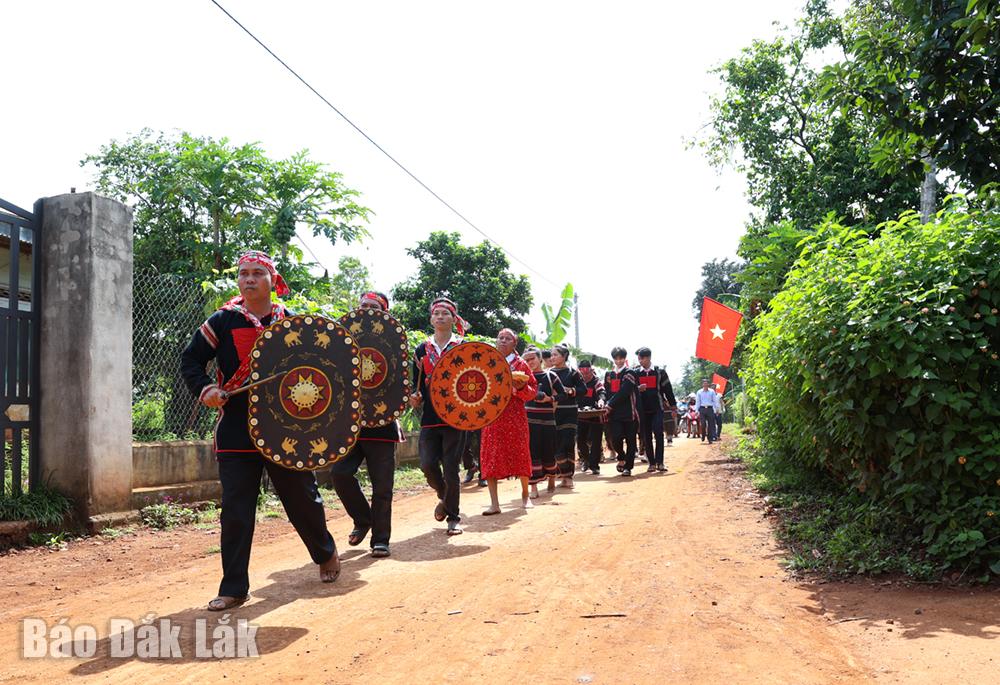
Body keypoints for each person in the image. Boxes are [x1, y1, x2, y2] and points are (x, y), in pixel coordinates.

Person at [181, 250, 340, 611]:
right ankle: (234, 586)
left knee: (302, 497)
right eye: (243, 274)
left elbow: (319, 368)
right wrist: (206, 390)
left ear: (272, 280)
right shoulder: (221, 321)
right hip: (236, 430)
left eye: (256, 273)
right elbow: (191, 360)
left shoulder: (292, 323)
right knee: (236, 509)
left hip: (287, 429)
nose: (248, 280)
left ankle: (325, 552)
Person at [328, 291, 402, 558]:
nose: (366, 311)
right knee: (340, 474)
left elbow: (400, 382)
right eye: (363, 306)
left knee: (382, 487)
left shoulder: (394, 341)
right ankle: (363, 519)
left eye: (372, 307)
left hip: (382, 425)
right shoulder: (342, 339)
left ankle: (381, 540)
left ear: (383, 312)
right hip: (351, 424)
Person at [410, 297, 469, 535]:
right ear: (431, 319)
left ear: (454, 319)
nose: (441, 317)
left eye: (446, 313)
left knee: (452, 468)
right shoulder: (422, 349)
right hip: (430, 417)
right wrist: (416, 398)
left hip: (457, 417)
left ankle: (453, 517)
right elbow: (417, 385)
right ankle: (444, 496)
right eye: (437, 314)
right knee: (427, 464)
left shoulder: (463, 347)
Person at [479, 329, 537, 513]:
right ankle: (494, 503)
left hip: (515, 415)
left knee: (520, 452)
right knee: (490, 456)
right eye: (500, 338)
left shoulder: (521, 364)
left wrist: (520, 388)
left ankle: (525, 495)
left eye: (508, 338)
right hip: (492, 416)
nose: (503, 341)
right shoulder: (488, 360)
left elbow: (532, 391)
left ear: (514, 343)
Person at [633, 347, 677, 473]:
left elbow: (668, 390)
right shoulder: (636, 373)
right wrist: (637, 388)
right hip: (642, 409)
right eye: (639, 359)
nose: (640, 361)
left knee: (658, 433)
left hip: (657, 408)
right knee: (646, 436)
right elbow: (630, 389)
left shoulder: (660, 372)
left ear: (648, 358)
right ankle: (651, 463)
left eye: (641, 358)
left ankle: (660, 462)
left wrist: (673, 407)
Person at [548, 344, 586, 488]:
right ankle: (563, 474)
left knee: (568, 443)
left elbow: (583, 389)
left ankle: (569, 477)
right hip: (553, 413)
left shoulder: (573, 372)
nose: (552, 358)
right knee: (556, 445)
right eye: (551, 355)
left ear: (564, 356)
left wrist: (569, 391)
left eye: (555, 355)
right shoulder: (549, 373)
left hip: (569, 412)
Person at [523, 347, 558, 498]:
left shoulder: (550, 376)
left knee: (548, 452)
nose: (530, 362)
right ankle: (533, 487)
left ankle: (551, 478)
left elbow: (563, 395)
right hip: (528, 420)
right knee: (532, 453)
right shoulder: (522, 378)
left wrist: (549, 399)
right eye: (527, 360)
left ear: (540, 359)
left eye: (533, 359)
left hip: (548, 421)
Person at [603, 347, 639, 476]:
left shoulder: (630, 373)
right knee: (616, 438)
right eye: (616, 358)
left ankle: (628, 467)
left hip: (630, 412)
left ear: (625, 358)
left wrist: (609, 404)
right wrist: (603, 402)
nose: (619, 361)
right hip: (614, 414)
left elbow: (624, 392)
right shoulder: (610, 374)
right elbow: (606, 392)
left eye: (621, 358)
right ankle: (621, 457)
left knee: (631, 440)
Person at [576, 359, 606, 475]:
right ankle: (586, 460)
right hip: (580, 415)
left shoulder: (596, 382)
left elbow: (601, 392)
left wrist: (601, 401)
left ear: (591, 371)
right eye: (583, 374)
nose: (585, 376)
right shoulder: (577, 382)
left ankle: (594, 465)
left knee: (596, 441)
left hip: (595, 415)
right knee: (580, 440)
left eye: (587, 373)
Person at [695, 379, 718, 444]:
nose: (705, 385)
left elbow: (715, 401)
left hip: (710, 409)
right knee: (703, 424)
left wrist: (716, 409)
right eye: (704, 383)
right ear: (702, 384)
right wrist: (696, 410)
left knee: (710, 424)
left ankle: (710, 438)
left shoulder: (712, 391)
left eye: (706, 383)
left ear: (708, 384)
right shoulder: (699, 392)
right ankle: (703, 434)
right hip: (702, 409)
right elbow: (698, 402)